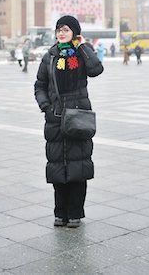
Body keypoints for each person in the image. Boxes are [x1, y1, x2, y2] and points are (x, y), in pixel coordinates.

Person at [34, 15, 103, 228]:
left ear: (74, 32)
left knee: (78, 168)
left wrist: (82, 47)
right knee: (57, 168)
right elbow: (40, 85)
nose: (61, 33)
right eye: (58, 30)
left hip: (78, 116)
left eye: (65, 29)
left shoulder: (82, 53)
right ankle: (60, 213)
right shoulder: (51, 56)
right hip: (55, 118)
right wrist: (46, 107)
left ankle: (75, 213)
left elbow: (96, 70)